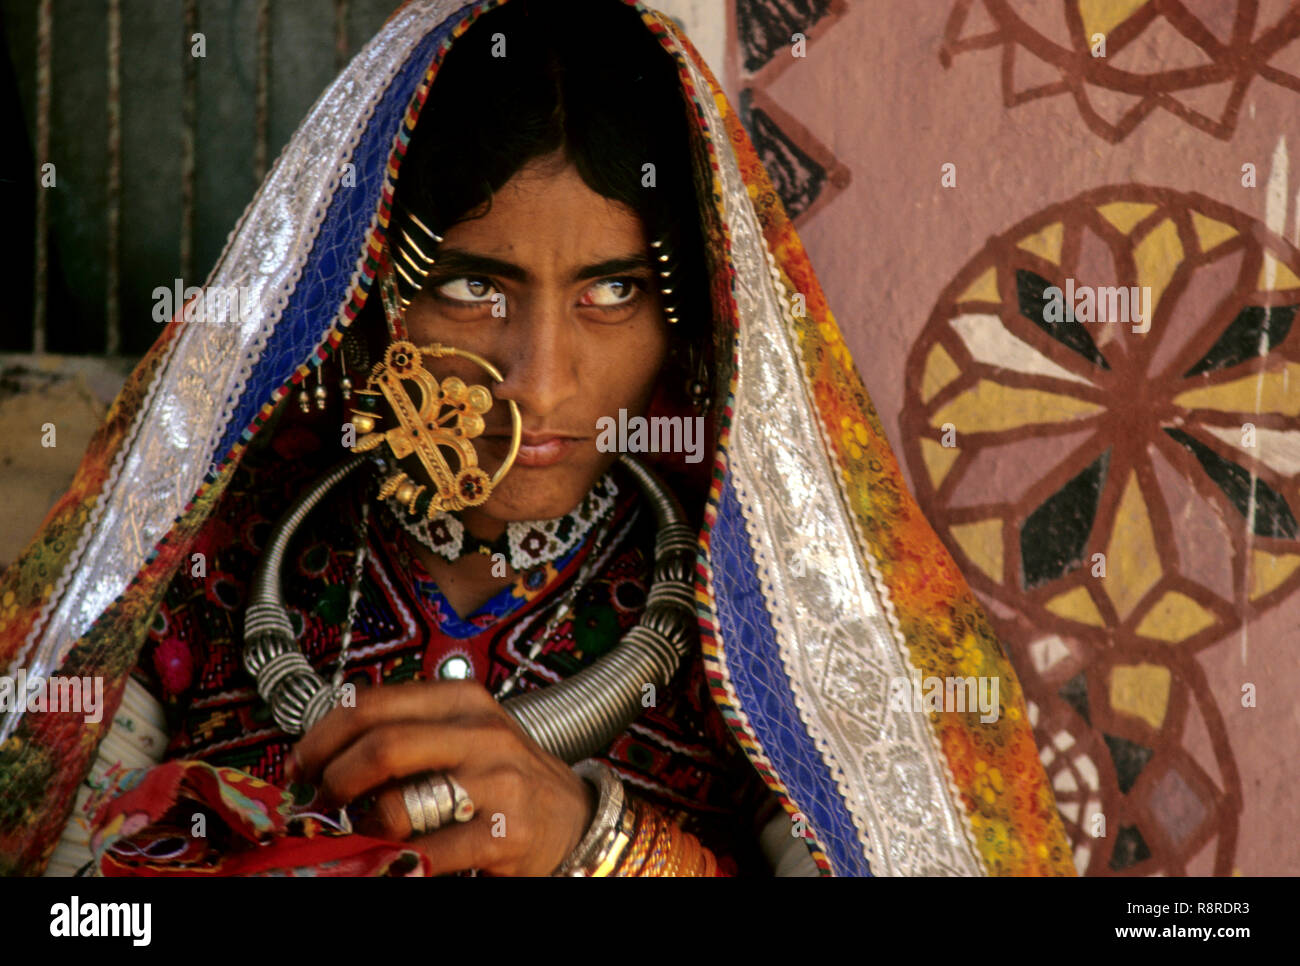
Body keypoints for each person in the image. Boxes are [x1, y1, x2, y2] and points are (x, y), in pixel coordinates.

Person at [0, 0, 1074, 877]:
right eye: (472, 287)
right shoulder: (200, 556)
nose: (541, 379)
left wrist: (596, 847)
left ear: (698, 322)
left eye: (613, 292)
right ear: (361, 290)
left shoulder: (776, 618)